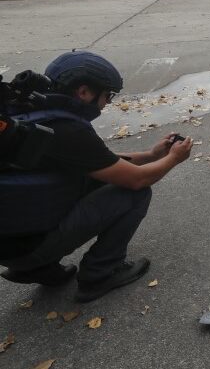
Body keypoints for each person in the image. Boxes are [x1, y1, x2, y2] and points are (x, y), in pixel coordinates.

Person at [0, 51, 193, 302]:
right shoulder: (67, 130)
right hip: (27, 247)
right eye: (107, 95)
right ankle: (100, 273)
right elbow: (137, 179)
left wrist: (151, 154)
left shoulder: (28, 112)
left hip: (11, 241)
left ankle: (37, 268)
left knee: (95, 180)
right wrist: (174, 158)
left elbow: (99, 162)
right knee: (134, 194)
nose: (106, 103)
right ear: (83, 92)